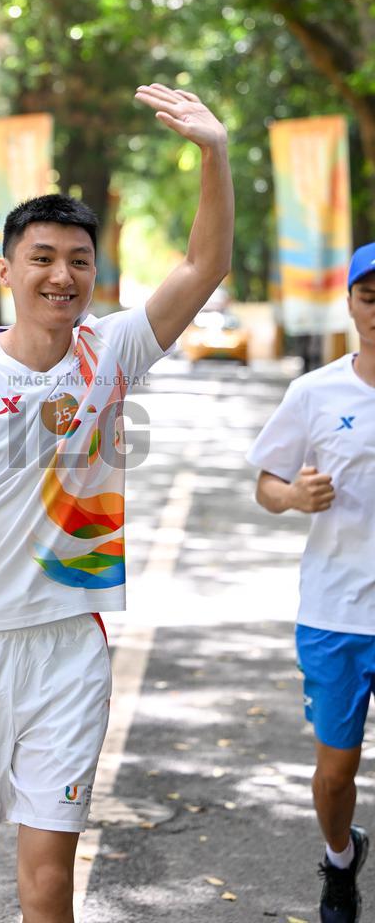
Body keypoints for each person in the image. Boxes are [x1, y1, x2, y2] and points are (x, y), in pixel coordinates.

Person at [0, 83, 233, 923]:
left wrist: (214, 151)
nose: (63, 276)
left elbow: (203, 266)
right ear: (6, 271)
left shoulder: (111, 353)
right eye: (43, 258)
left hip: (67, 645)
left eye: (79, 261)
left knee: (51, 882)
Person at [248, 242, 375, 923]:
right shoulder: (315, 393)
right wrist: (295, 496)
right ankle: (340, 857)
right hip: (336, 615)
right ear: (350, 304)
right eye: (370, 297)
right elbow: (267, 484)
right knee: (333, 776)